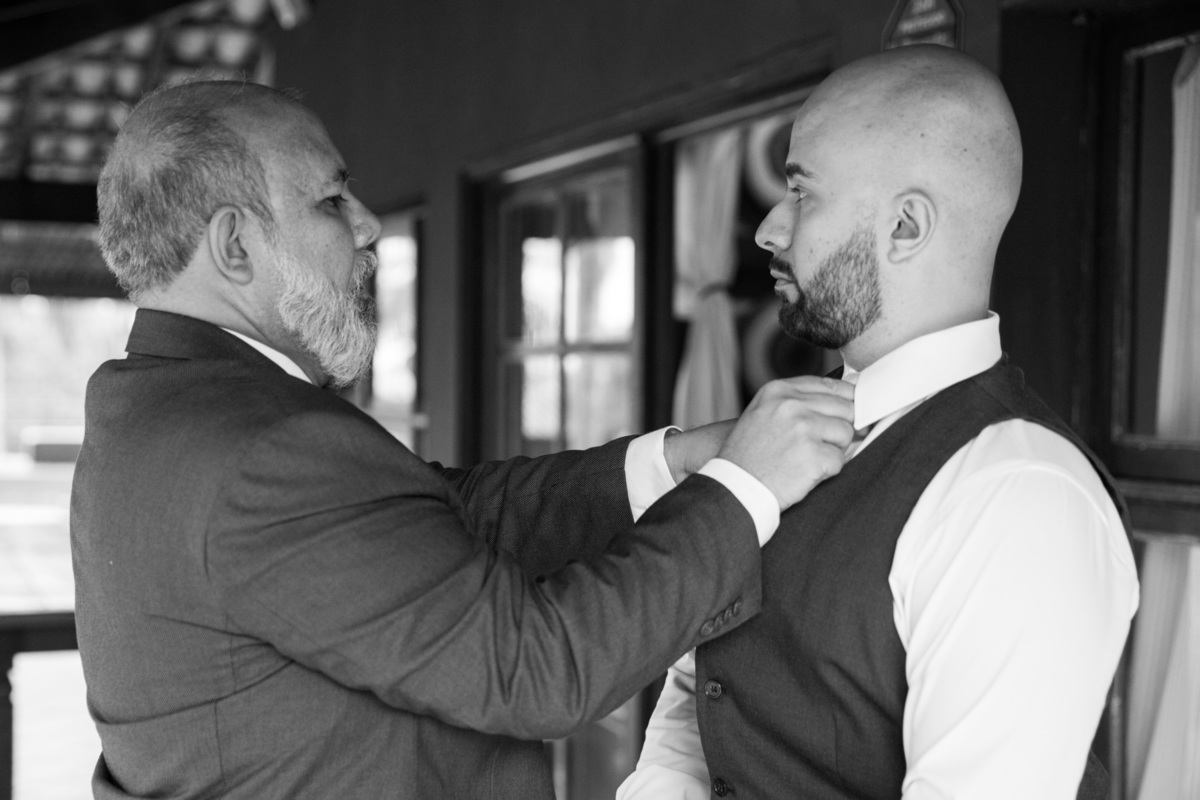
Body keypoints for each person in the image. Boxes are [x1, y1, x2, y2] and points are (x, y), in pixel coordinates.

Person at [71, 80, 858, 800]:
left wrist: (669, 463)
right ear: (236, 245)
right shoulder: (262, 446)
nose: (367, 225)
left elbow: (430, 518)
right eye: (332, 200)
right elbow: (537, 672)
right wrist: (743, 489)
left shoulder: (153, 409)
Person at [618, 45, 1140, 800]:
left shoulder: (1019, 493)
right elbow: (700, 694)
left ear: (904, 225)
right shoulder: (779, 432)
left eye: (803, 193)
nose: (769, 229)